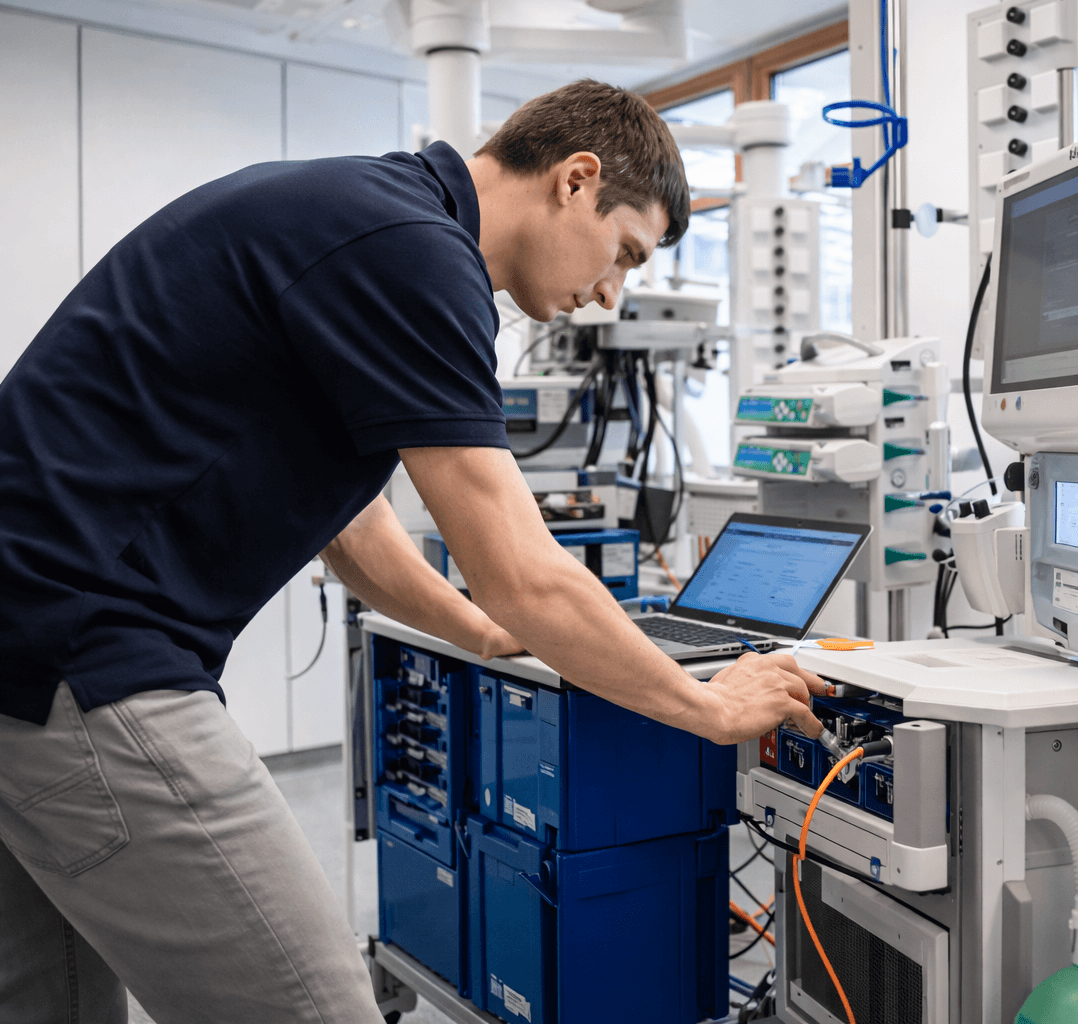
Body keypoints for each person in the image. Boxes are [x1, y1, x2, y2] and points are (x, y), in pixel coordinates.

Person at [0, 79, 826, 1024]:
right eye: (625, 253)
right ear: (575, 179)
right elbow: (521, 570)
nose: (610, 294)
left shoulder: (365, 212)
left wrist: (482, 633)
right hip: (83, 656)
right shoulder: (414, 254)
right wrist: (709, 705)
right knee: (315, 1008)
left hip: (24, 650)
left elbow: (350, 530)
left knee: (49, 1000)